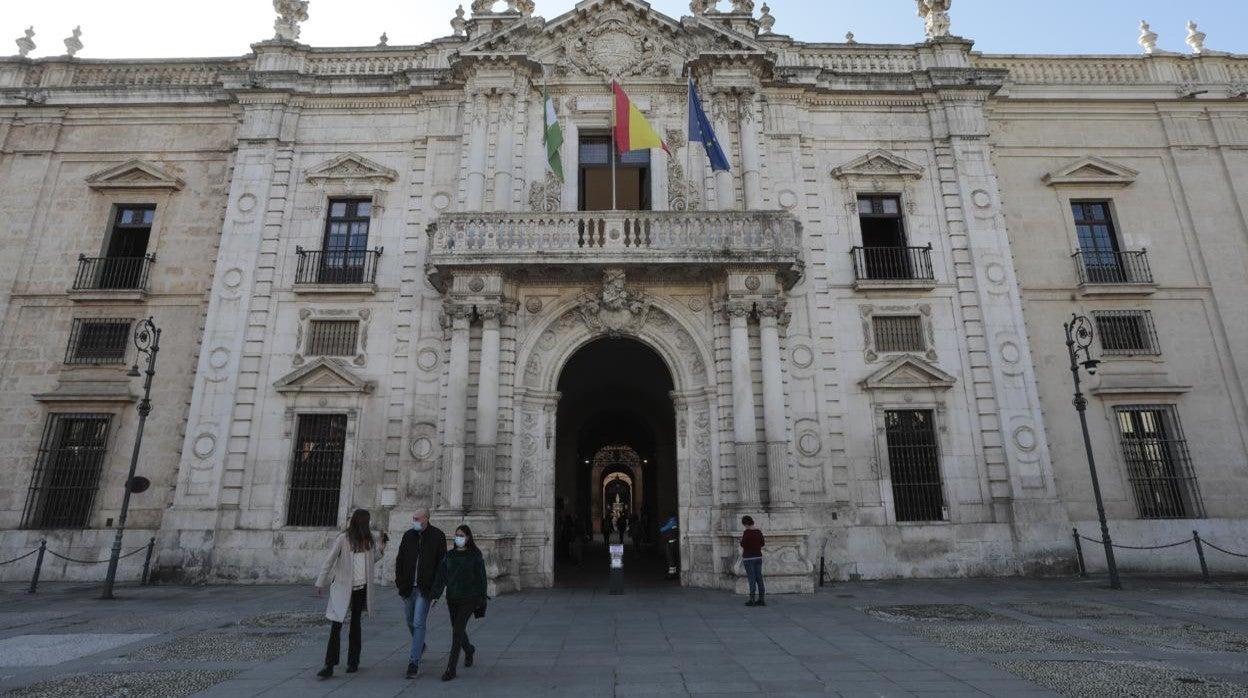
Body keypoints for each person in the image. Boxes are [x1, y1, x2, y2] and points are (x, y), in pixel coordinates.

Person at [314, 509, 387, 679]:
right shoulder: (343, 539)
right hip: (342, 588)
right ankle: (329, 665)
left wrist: (381, 551)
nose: (370, 524)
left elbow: (370, 561)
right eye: (367, 521)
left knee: (355, 625)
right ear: (361, 522)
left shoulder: (369, 540)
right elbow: (329, 561)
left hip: (361, 588)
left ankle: (353, 662)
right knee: (336, 625)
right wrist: (320, 582)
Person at [430, 524, 488, 682]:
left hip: (469, 598)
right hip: (452, 598)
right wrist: (435, 595)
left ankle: (451, 668)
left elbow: (481, 578)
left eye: (461, 535)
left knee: (456, 632)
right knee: (458, 629)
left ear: (468, 537)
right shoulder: (449, 556)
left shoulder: (475, 555)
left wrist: (481, 599)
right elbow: (441, 576)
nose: (459, 538)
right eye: (457, 535)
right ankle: (469, 649)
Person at [395, 507, 446, 679]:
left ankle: (413, 662)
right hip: (408, 587)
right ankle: (420, 644)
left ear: (426, 519)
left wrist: (437, 591)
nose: (414, 521)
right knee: (410, 620)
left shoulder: (437, 536)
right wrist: (400, 582)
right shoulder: (408, 536)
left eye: (417, 518)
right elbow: (400, 559)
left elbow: (441, 565)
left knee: (418, 623)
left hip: (425, 589)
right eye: (413, 518)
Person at [740, 515, 766, 607]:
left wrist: (742, 541)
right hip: (758, 557)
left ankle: (752, 600)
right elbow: (762, 543)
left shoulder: (746, 533)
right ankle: (762, 599)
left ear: (746, 524)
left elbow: (743, 544)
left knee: (752, 579)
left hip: (748, 558)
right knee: (759, 578)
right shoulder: (758, 532)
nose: (745, 526)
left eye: (744, 524)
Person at [660, 513, 679, 580]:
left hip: (670, 542)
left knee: (670, 558)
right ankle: (673, 573)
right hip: (673, 542)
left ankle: (671, 574)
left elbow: (662, 529)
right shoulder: (675, 522)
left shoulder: (671, 522)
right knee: (672, 558)